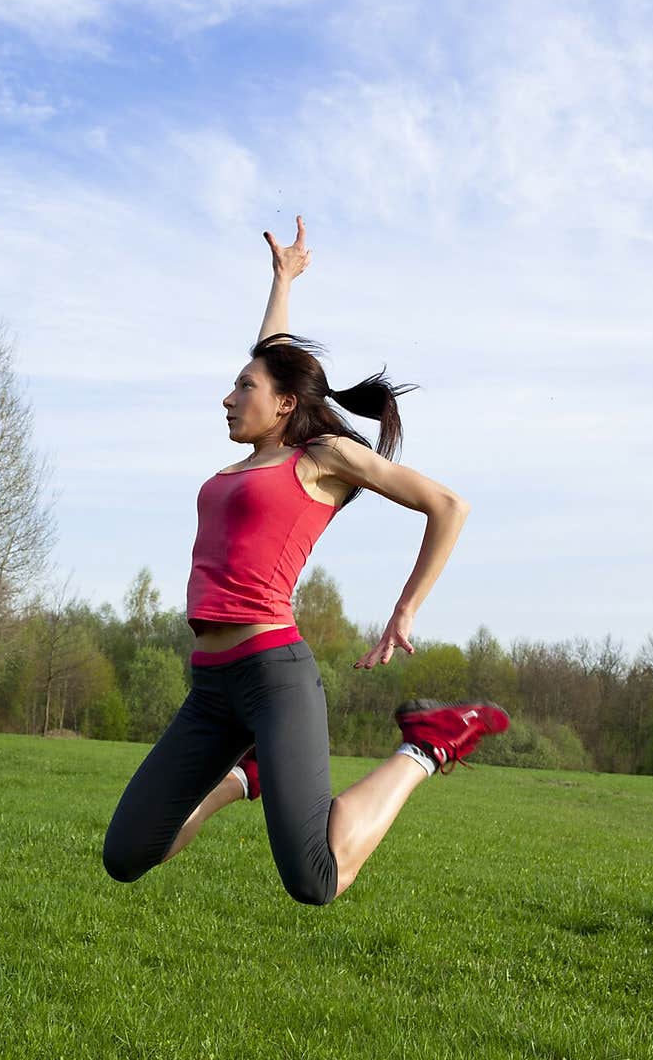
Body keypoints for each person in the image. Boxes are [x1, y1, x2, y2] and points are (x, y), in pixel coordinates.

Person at [103, 216, 509, 906]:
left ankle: (428, 747)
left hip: (272, 673)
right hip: (210, 684)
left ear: (284, 403)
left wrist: (405, 608)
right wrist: (283, 280)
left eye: (244, 388)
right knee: (128, 853)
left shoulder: (322, 459)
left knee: (315, 879)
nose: (229, 398)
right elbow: (272, 350)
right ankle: (246, 774)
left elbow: (448, 506)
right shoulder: (250, 458)